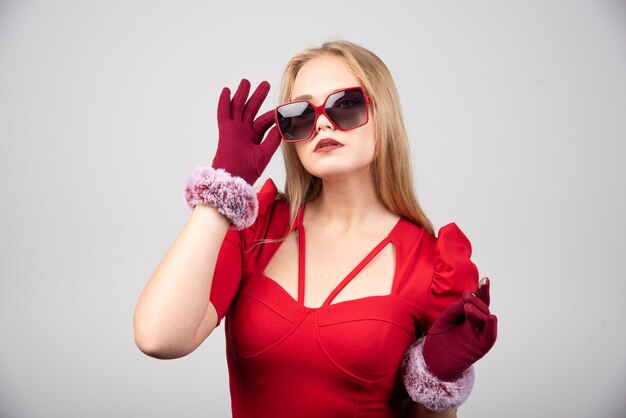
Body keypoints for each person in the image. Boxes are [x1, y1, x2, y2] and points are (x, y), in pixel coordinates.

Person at [133, 40, 497, 418]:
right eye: (300, 114)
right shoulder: (256, 231)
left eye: (345, 104)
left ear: (383, 113)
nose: (322, 121)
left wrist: (441, 376)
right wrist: (222, 189)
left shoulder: (432, 265)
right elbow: (158, 337)